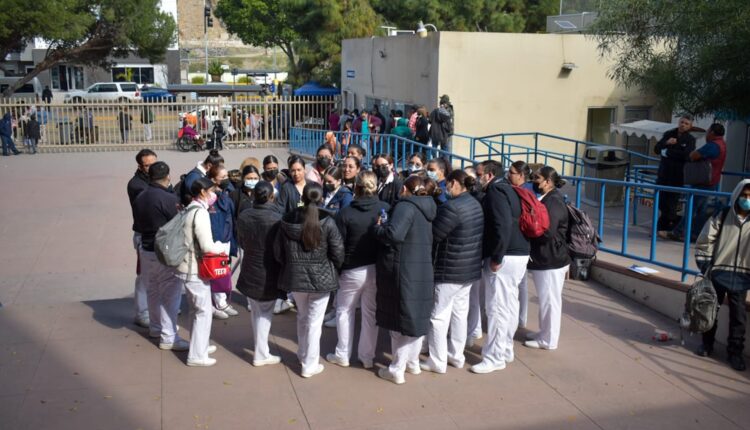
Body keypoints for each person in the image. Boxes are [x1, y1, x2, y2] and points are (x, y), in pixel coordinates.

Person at [274, 183, 345, 377]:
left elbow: (278, 252)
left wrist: (289, 265)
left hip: (295, 276)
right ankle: (309, 364)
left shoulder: (287, 220)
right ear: (321, 199)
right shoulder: (328, 221)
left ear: (302, 198)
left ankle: (302, 353)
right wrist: (335, 267)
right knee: (314, 322)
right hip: (321, 278)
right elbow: (338, 250)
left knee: (303, 317)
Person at [373, 175, 437, 384]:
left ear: (406, 190)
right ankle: (412, 363)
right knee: (416, 319)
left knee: (400, 321)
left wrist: (378, 228)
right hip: (422, 268)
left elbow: (393, 235)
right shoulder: (429, 206)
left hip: (404, 268)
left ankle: (397, 368)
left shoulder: (406, 206)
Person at [421, 170, 484, 374]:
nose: (445, 188)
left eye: (447, 184)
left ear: (455, 183)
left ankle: (437, 360)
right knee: (459, 313)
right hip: (468, 270)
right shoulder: (474, 203)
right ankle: (456, 355)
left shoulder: (452, 207)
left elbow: (434, 235)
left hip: (450, 269)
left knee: (438, 316)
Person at [327, 171, 390, 368]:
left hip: (351, 269)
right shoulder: (384, 208)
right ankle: (367, 357)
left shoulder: (346, 213)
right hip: (376, 268)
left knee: (344, 311)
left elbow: (337, 245)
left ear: (357, 188)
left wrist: (337, 268)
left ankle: (342, 354)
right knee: (370, 314)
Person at [472, 160, 530, 374]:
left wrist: (497, 256)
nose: (477, 178)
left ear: (489, 175)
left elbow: (502, 224)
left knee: (496, 308)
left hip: (505, 256)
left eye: (479, 174)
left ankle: (494, 357)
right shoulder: (509, 189)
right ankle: (505, 348)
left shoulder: (496, 190)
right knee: (508, 305)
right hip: (518, 253)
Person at [695, 179, 750, 371]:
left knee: (739, 318)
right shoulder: (723, 214)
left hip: (742, 278)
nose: (746, 199)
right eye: (744, 195)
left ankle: (735, 352)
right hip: (718, 273)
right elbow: (705, 239)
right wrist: (705, 265)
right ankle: (707, 344)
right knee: (710, 311)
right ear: (737, 195)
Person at [176, 177, 229, 367]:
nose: (214, 195)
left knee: (195, 310)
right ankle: (197, 355)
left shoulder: (189, 208)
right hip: (194, 269)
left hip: (186, 266)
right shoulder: (200, 213)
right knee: (203, 311)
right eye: (212, 191)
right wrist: (221, 247)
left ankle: (199, 346)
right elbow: (207, 246)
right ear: (203, 193)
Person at [132, 162, 185, 349]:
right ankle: (169, 337)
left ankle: (155, 328)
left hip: (145, 248)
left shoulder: (140, 197)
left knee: (152, 291)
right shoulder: (168, 198)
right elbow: (179, 222)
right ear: (168, 176)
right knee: (170, 295)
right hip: (164, 251)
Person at [236, 181, 286, 366]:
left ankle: (261, 350)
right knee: (264, 313)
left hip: (250, 267)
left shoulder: (245, 215)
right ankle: (261, 353)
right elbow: (280, 250)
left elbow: (241, 241)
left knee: (257, 311)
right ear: (271, 197)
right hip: (268, 271)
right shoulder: (277, 218)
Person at [524, 166, 570, 351]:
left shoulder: (554, 202)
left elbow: (547, 231)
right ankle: (544, 332)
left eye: (537, 178)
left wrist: (529, 232)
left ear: (548, 182)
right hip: (546, 257)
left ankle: (549, 339)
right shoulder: (547, 199)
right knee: (545, 299)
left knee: (550, 300)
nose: (534, 181)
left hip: (551, 259)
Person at [670, 123, 728, 242]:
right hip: (712, 181)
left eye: (708, 132)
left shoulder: (712, 145)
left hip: (704, 182)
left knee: (692, 208)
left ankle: (678, 232)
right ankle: (695, 233)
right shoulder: (722, 144)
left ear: (711, 133)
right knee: (701, 210)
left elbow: (693, 155)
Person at [127, 149, 157, 328]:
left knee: (161, 273)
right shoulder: (136, 184)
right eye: (148, 165)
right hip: (144, 234)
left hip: (159, 233)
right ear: (140, 166)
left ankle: (157, 306)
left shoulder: (156, 178)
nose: (152, 167)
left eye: (154, 163)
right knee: (144, 274)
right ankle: (142, 312)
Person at [206, 165, 238, 320]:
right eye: (223, 177)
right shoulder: (209, 196)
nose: (227, 179)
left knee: (223, 272)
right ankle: (215, 303)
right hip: (214, 240)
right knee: (214, 273)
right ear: (213, 179)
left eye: (227, 176)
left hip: (226, 238)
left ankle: (222, 301)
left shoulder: (226, 192)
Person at [654, 115, 696, 235]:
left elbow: (687, 155)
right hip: (664, 174)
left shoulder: (690, 139)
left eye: (686, 123)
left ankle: (664, 228)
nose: (683, 125)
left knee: (671, 203)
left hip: (677, 176)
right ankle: (667, 227)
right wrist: (666, 143)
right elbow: (657, 149)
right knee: (661, 202)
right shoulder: (669, 134)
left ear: (690, 126)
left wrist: (667, 152)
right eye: (682, 122)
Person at [506, 160, 534, 328]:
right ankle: (520, 319)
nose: (509, 175)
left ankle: (519, 320)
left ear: (522, 175)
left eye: (512, 172)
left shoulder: (523, 192)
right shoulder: (524, 190)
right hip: (523, 243)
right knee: (520, 285)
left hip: (521, 241)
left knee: (518, 286)